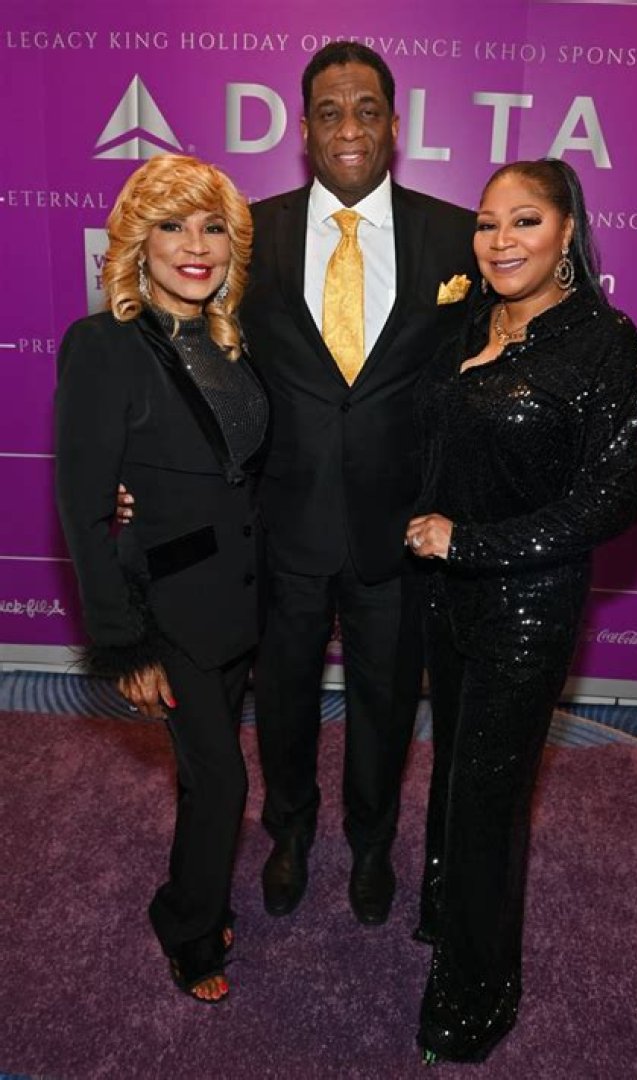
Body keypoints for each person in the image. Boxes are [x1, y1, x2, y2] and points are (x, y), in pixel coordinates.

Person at [405, 159, 637, 1063]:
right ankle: (445, 911)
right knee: (452, 770)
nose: (501, 240)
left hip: (526, 608)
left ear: (567, 232)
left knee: (488, 796)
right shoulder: (472, 321)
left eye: (524, 221)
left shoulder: (605, 343)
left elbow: (610, 503)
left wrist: (469, 543)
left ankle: (477, 997)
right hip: (447, 599)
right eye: (487, 223)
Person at [240, 41, 479, 925]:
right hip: (285, 520)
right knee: (284, 697)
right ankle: (291, 831)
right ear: (304, 130)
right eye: (331, 112)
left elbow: (488, 375)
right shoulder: (247, 232)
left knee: (386, 701)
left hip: (401, 527)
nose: (350, 127)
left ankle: (373, 843)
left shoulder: (457, 235)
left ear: (394, 125)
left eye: (367, 109)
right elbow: (208, 367)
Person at [55, 154, 268, 1004]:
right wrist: (125, 643)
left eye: (212, 228)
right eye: (173, 226)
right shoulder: (103, 345)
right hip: (167, 610)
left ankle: (192, 888)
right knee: (225, 780)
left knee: (200, 772)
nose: (196, 246)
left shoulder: (230, 342)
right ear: (137, 243)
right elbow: (82, 509)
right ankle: (188, 928)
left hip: (236, 604)